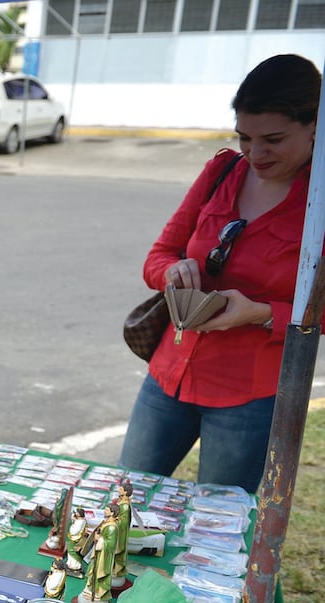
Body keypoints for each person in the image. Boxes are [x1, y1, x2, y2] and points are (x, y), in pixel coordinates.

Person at [119, 54, 322, 494]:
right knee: (123, 501)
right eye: (244, 137)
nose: (255, 153)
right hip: (168, 374)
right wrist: (174, 270)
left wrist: (261, 313)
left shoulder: (320, 201)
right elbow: (158, 256)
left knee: (218, 526)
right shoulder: (223, 170)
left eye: (273, 139)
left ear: (315, 125)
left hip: (247, 397)